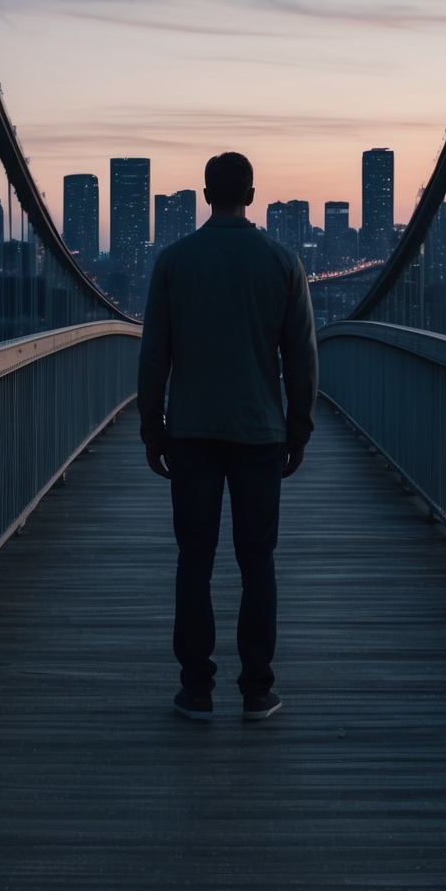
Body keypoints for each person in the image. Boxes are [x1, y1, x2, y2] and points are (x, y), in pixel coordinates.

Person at [138, 151, 318, 722]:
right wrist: (300, 427)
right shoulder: (282, 260)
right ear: (253, 191)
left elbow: (154, 355)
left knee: (194, 559)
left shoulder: (173, 261)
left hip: (190, 432)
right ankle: (256, 689)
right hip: (261, 433)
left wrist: (151, 428)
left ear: (206, 192)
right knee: (256, 561)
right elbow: (303, 357)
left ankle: (195, 688)